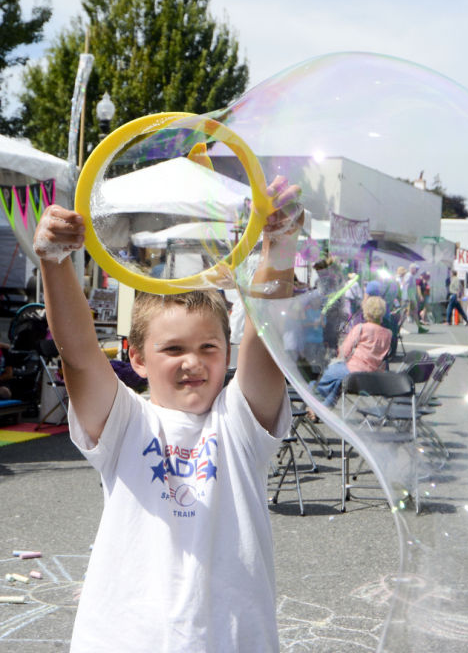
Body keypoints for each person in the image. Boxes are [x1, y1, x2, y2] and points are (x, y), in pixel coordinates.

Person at [32, 176, 303, 653]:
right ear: (136, 358)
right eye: (173, 348)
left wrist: (279, 250)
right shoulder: (125, 424)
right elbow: (78, 355)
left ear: (228, 351)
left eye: (208, 347)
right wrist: (54, 264)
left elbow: (267, 335)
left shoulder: (239, 424)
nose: (193, 361)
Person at [310, 295, 392, 412]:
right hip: (373, 375)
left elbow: (344, 352)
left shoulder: (360, 328)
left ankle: (314, 402)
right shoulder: (388, 334)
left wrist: (338, 347)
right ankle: (322, 408)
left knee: (322, 377)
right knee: (337, 382)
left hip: (353, 371)